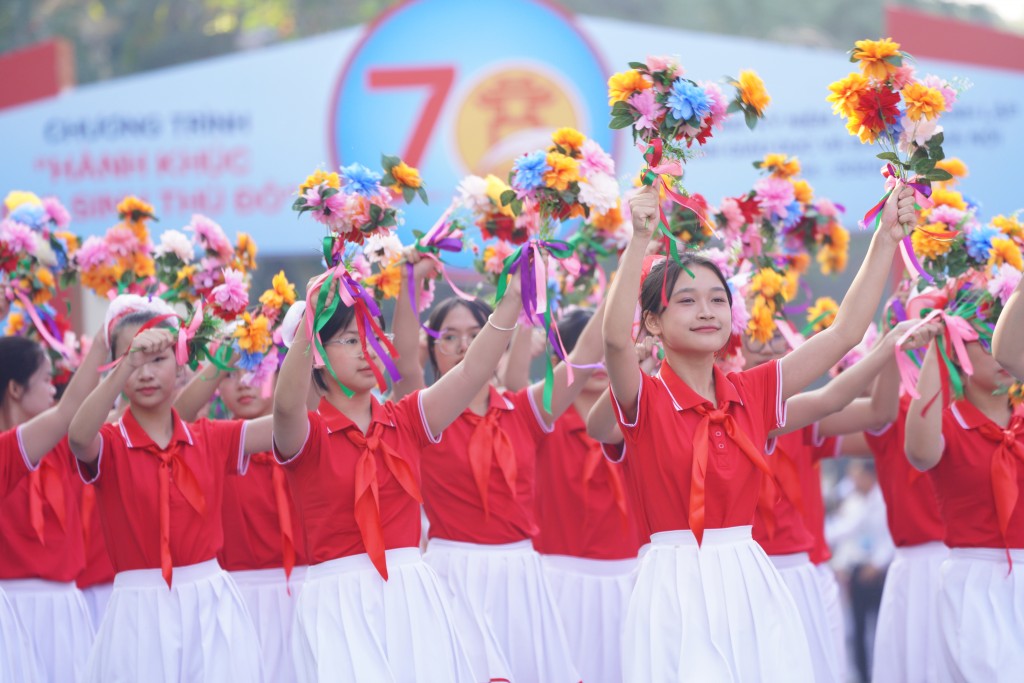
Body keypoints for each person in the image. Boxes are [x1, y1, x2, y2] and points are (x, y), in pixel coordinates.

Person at [601, 181, 914, 681]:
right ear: (654, 325)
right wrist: (639, 238)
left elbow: (845, 332)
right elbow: (615, 341)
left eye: (717, 300)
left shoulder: (753, 391)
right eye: (686, 301)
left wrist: (885, 239)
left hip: (749, 577)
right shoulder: (646, 398)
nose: (706, 311)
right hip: (674, 582)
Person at [272, 267, 532, 682]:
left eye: (372, 339)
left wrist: (513, 300)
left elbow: (470, 372)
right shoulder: (308, 434)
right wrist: (309, 322)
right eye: (350, 341)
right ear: (318, 355)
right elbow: (285, 407)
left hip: (411, 595)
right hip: (338, 601)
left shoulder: (407, 418)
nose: (366, 351)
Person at [384, 252, 605, 682]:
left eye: (475, 333)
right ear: (434, 347)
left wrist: (636, 257)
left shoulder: (526, 410)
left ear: (497, 339)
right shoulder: (423, 416)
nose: (465, 346)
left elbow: (586, 355)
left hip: (522, 576)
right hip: (452, 574)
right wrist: (408, 282)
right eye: (449, 336)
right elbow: (404, 363)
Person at [68, 295, 272, 683]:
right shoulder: (111, 444)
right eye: (133, 360)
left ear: (180, 363)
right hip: (138, 611)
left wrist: (297, 344)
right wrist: (124, 364)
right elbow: (78, 436)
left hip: (210, 607)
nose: (145, 373)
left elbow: (292, 424)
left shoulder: (209, 438)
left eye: (157, 360)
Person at [505, 309, 643, 683]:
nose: (599, 364)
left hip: (631, 580)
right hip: (557, 581)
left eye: (608, 351)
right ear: (557, 362)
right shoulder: (542, 422)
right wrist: (524, 317)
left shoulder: (637, 417)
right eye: (588, 351)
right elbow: (514, 382)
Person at [905, 293, 1024, 682]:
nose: (997, 351)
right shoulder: (947, 423)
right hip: (975, 586)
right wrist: (937, 343)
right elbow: (919, 452)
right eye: (982, 340)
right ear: (958, 350)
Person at [174, 361, 308, 683]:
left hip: (304, 592)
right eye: (230, 374)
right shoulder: (210, 441)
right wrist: (218, 360)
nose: (244, 383)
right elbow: (174, 420)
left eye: (257, 370)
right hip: (236, 596)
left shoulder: (305, 434)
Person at [0, 331, 108, 683]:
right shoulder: (7, 453)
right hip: (10, 606)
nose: (53, 388)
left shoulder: (63, 447)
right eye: (47, 380)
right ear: (15, 389)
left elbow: (85, 415)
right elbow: (68, 410)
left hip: (64, 608)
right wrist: (106, 341)